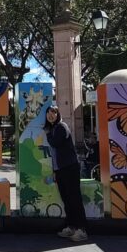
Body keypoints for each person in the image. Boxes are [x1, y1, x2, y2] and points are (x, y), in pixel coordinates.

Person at [44, 104, 88, 242]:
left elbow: (55, 143)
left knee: (74, 198)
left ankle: (82, 229)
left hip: (70, 168)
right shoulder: (54, 129)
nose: (51, 115)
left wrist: (47, 134)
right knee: (67, 199)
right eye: (49, 113)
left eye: (54, 113)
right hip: (61, 169)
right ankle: (71, 227)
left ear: (58, 115)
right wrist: (55, 171)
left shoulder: (61, 127)